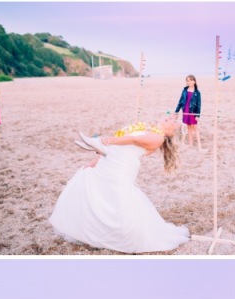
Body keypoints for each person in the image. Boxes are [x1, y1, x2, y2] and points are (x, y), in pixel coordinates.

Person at [50, 118, 189, 254]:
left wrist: (105, 140)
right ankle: (92, 229)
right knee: (93, 186)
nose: (171, 118)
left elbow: (133, 140)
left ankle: (118, 235)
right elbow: (119, 142)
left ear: (171, 133)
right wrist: (94, 160)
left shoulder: (158, 138)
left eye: (175, 122)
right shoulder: (146, 129)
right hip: (110, 159)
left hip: (121, 166)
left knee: (116, 197)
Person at [175, 74, 202, 150]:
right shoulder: (184, 90)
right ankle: (190, 143)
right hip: (185, 110)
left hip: (193, 112)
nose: (189, 82)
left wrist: (198, 115)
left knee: (195, 127)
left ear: (194, 81)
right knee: (189, 127)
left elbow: (199, 104)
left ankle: (199, 146)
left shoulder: (197, 92)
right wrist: (176, 111)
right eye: (187, 81)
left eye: (191, 80)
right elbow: (180, 101)